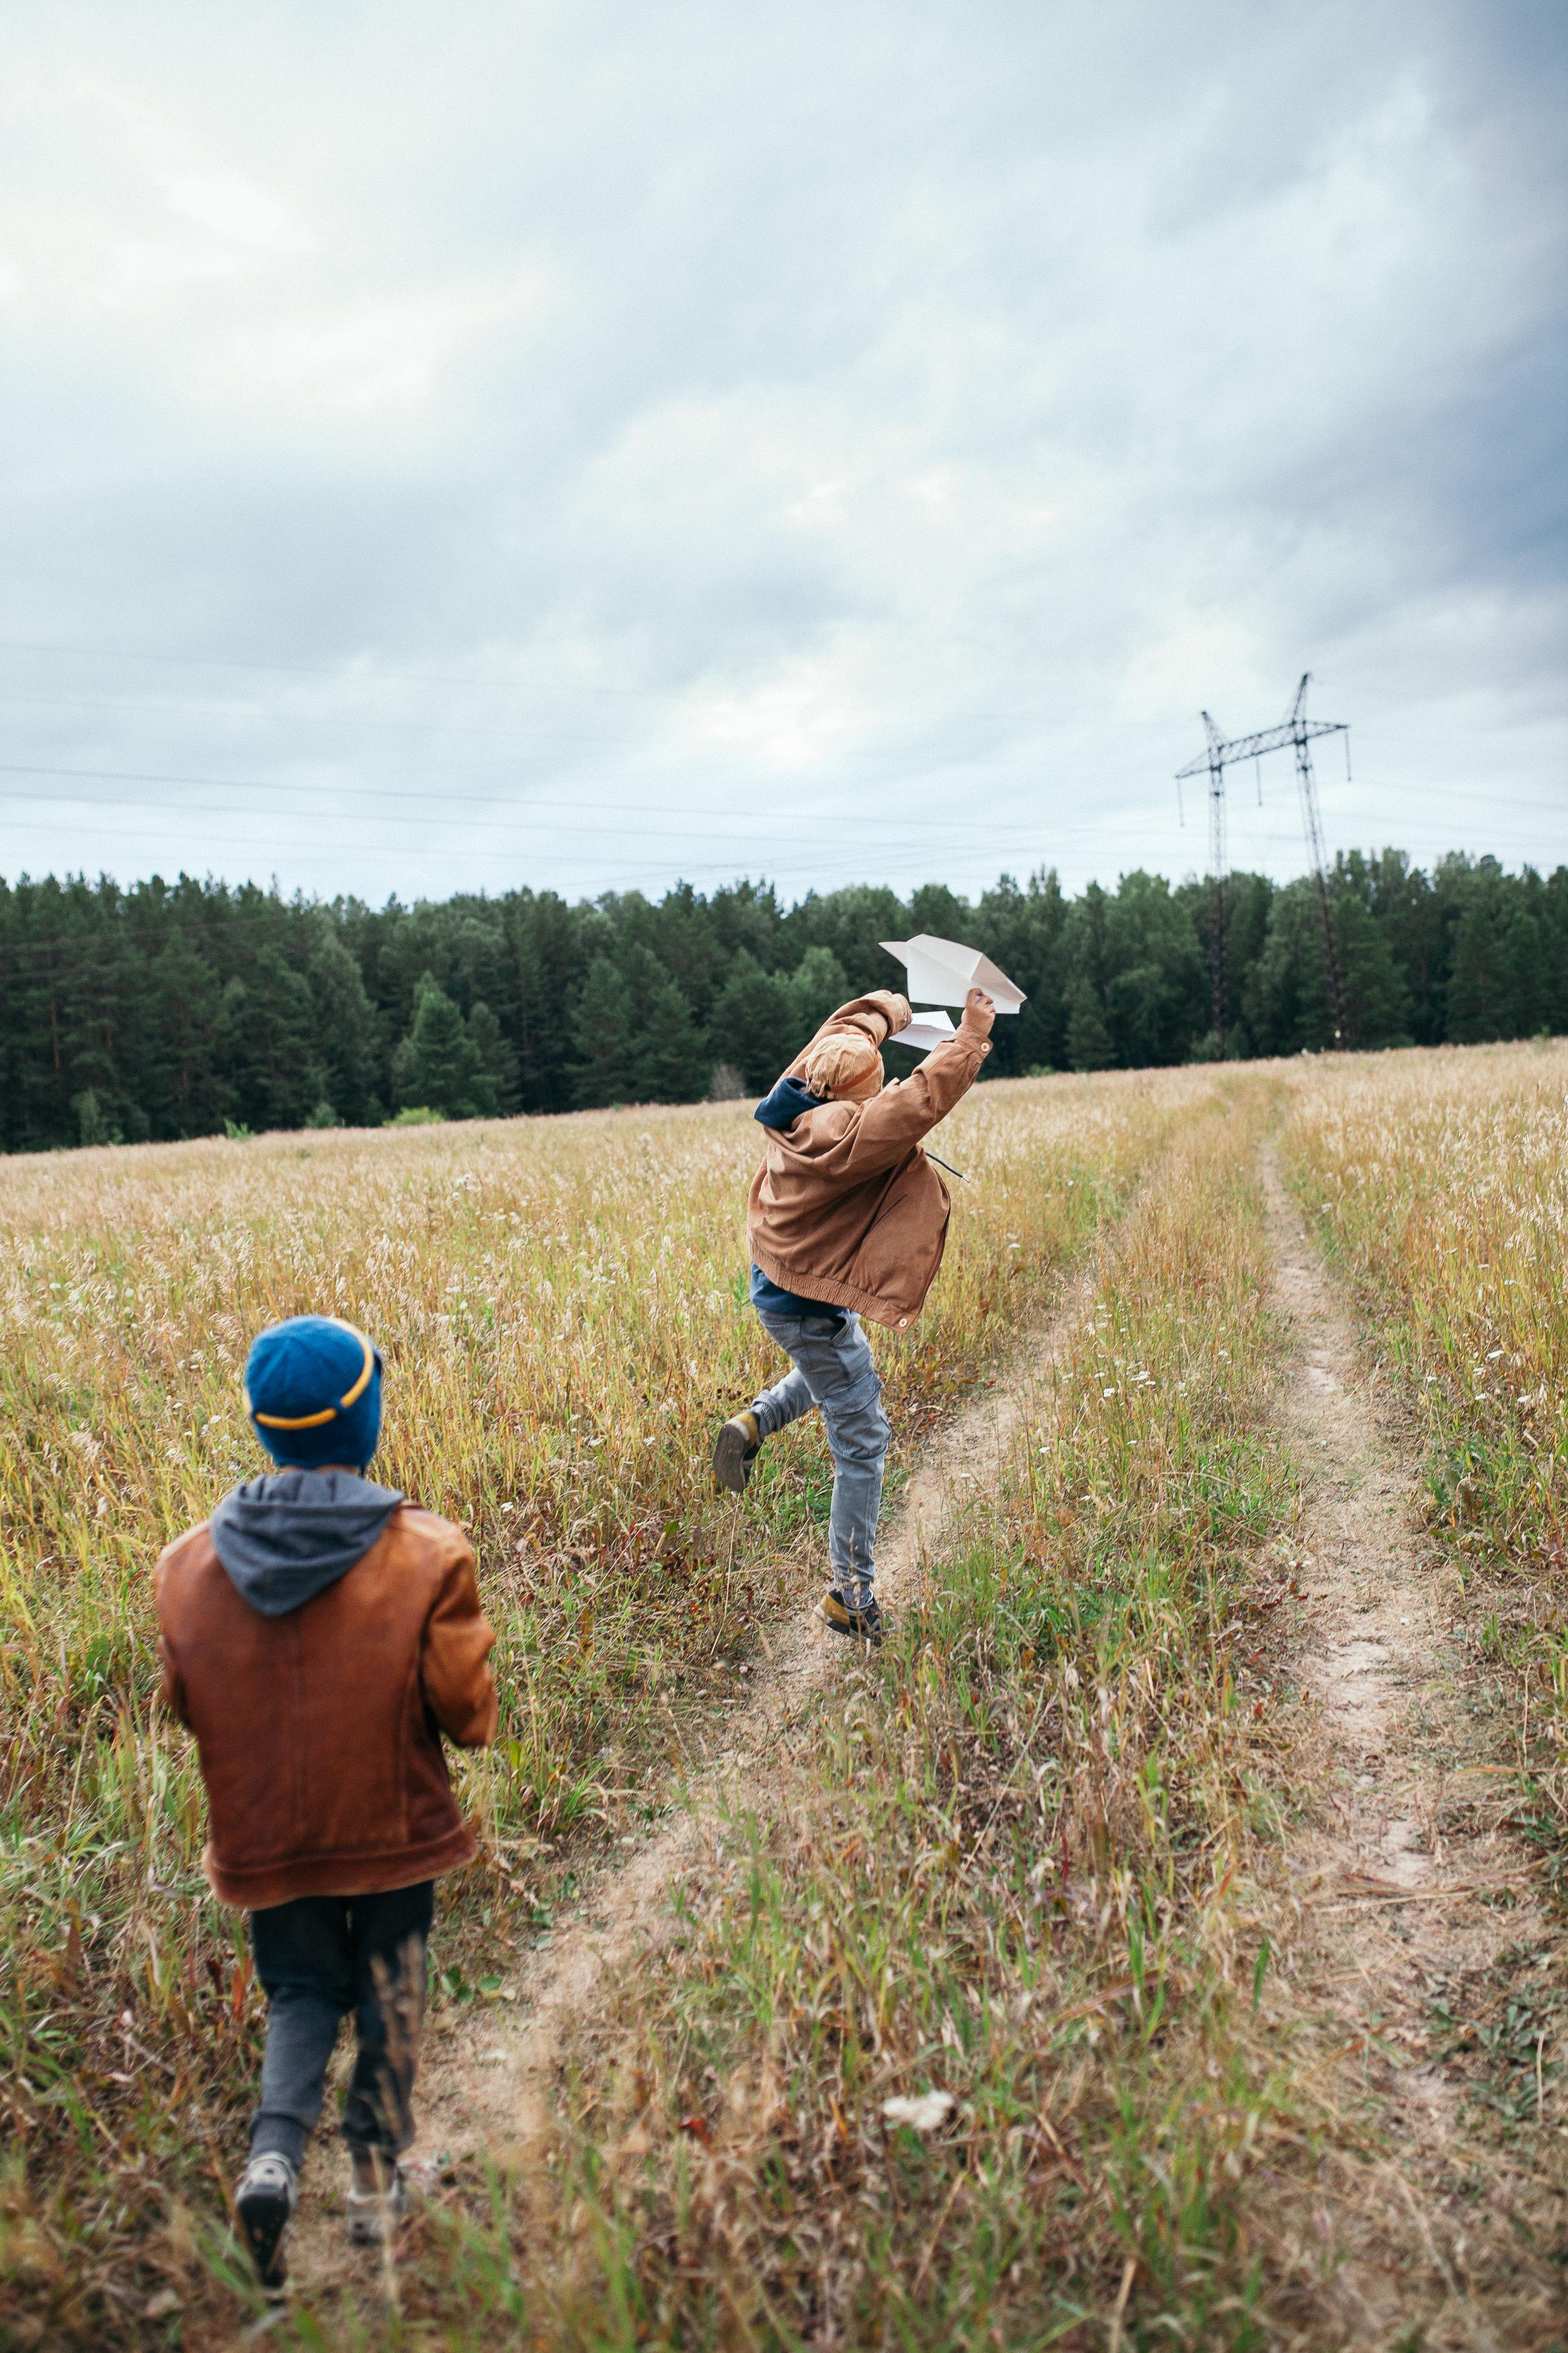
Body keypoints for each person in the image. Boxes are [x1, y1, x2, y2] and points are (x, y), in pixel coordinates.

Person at [153, 1314, 497, 2289]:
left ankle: (270, 2161)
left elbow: (184, 1703)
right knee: (392, 1988)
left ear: (266, 1426)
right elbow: (467, 1714)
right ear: (365, 1420)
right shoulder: (427, 1552)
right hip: (394, 1828)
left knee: (301, 1993)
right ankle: (372, 2185)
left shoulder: (184, 1568)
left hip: (265, 1836)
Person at [712, 984, 995, 1640]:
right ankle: (849, 1594)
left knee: (840, 1367)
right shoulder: (846, 1136)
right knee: (862, 1441)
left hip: (783, 1278)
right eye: (872, 1087)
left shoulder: (799, 1085)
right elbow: (920, 1098)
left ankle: (753, 1424)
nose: (880, 1088)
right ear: (852, 1101)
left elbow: (849, 1028)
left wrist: (892, 1010)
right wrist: (971, 1032)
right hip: (806, 1302)